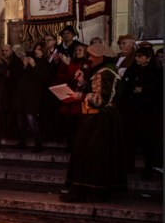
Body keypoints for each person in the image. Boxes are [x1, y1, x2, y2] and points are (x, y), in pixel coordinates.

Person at [60, 43, 126, 203]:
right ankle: (98, 190)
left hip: (98, 120)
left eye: (92, 56)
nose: (89, 58)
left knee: (89, 153)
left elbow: (100, 99)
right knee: (100, 154)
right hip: (102, 118)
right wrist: (82, 84)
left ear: (101, 57)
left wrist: (79, 96)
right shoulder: (106, 70)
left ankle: (83, 189)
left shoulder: (105, 72)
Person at [120, 47, 163, 179]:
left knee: (147, 140)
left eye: (140, 56)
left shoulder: (155, 72)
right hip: (131, 109)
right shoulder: (132, 69)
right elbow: (126, 86)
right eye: (136, 56)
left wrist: (143, 90)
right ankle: (129, 165)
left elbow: (157, 90)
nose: (137, 58)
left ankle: (148, 168)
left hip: (147, 111)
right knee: (129, 138)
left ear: (148, 57)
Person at [12, 41, 51, 152]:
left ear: (43, 51)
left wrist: (34, 66)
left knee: (31, 120)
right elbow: (17, 75)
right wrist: (24, 66)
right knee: (21, 121)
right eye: (35, 48)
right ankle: (22, 141)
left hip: (32, 95)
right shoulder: (28, 61)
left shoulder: (46, 64)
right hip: (21, 94)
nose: (36, 51)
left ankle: (38, 144)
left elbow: (42, 78)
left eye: (39, 49)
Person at [55, 43, 92, 152]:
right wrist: (64, 65)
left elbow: (79, 75)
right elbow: (63, 76)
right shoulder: (73, 63)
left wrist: (69, 64)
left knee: (79, 123)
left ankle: (79, 145)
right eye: (76, 50)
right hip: (70, 95)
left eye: (80, 50)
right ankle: (69, 144)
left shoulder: (88, 64)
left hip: (80, 97)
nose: (77, 52)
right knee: (68, 122)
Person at [40, 34, 62, 142]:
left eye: (49, 40)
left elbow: (62, 68)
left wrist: (57, 62)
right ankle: (49, 133)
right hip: (45, 86)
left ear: (54, 41)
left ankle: (58, 134)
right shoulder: (44, 53)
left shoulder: (59, 52)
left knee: (56, 112)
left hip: (55, 85)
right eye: (45, 40)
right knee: (46, 111)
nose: (47, 42)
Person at [1, 44, 24, 139]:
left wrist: (10, 75)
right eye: (3, 51)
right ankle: (8, 130)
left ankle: (14, 131)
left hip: (13, 90)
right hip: (5, 89)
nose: (4, 52)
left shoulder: (17, 61)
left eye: (6, 50)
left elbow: (19, 74)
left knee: (13, 112)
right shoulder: (2, 61)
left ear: (11, 50)